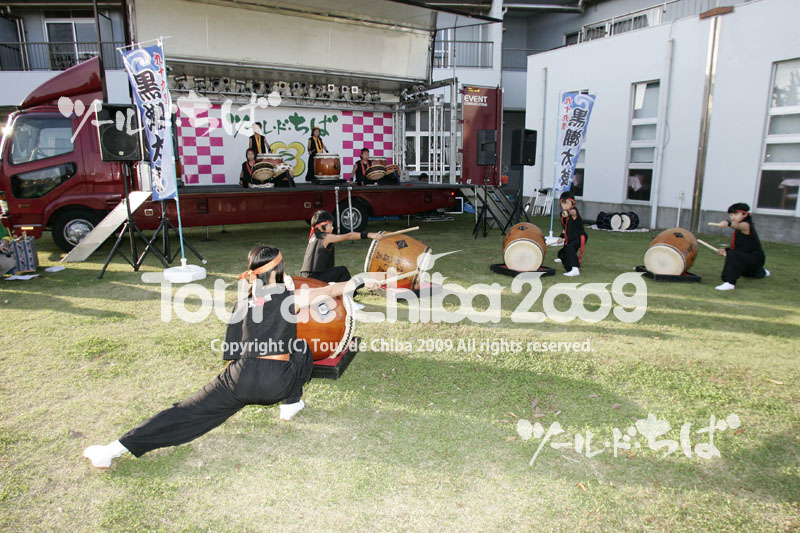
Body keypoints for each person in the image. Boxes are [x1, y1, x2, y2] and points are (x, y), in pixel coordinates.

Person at [83, 245, 379, 469]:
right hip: (278, 380)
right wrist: (363, 281)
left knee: (186, 412)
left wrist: (231, 384)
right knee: (301, 348)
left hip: (239, 378)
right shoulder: (290, 299)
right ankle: (291, 404)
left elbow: (232, 353)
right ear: (278, 270)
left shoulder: (243, 303)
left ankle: (111, 450)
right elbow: (334, 288)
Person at [300, 209, 382, 282]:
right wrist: (369, 235)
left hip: (304, 277)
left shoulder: (313, 237)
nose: (332, 228)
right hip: (315, 278)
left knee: (335, 273)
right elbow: (349, 236)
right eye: (330, 225)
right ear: (321, 226)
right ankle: (351, 292)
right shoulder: (326, 237)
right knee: (342, 271)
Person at [715, 203, 769, 291]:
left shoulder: (746, 225)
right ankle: (760, 271)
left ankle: (729, 283)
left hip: (756, 259)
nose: (733, 217)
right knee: (736, 261)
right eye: (731, 215)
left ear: (745, 214)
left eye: (736, 214)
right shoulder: (741, 226)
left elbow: (737, 226)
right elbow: (741, 247)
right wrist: (726, 250)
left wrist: (727, 222)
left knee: (733, 254)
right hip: (752, 260)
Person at [556, 191, 587, 277]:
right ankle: (569, 267)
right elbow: (565, 228)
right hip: (571, 237)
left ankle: (575, 269)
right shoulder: (563, 215)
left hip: (579, 237)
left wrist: (568, 212)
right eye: (563, 203)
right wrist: (561, 237)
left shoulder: (574, 211)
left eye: (567, 203)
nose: (564, 205)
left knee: (570, 248)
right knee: (562, 253)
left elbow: (572, 212)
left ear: (572, 203)